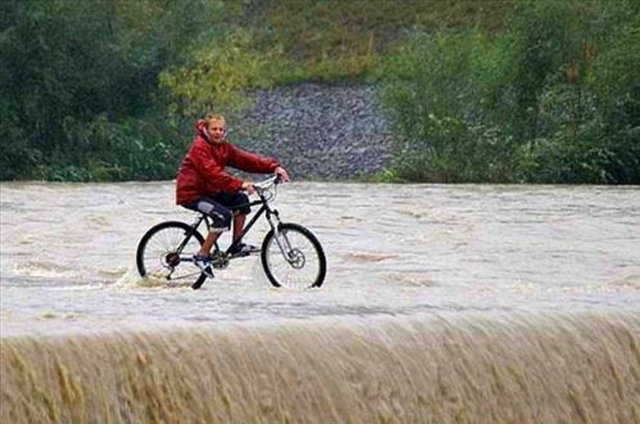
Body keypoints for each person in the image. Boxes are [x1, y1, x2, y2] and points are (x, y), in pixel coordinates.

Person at [176, 113, 290, 277]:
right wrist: (240, 184)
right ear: (206, 130)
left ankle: (237, 244)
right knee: (223, 216)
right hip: (192, 194)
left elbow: (247, 160)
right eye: (214, 129)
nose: (218, 132)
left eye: (221, 129)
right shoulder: (199, 147)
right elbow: (212, 173)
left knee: (242, 201)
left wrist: (274, 167)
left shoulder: (223, 147)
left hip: (212, 191)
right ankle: (202, 255)